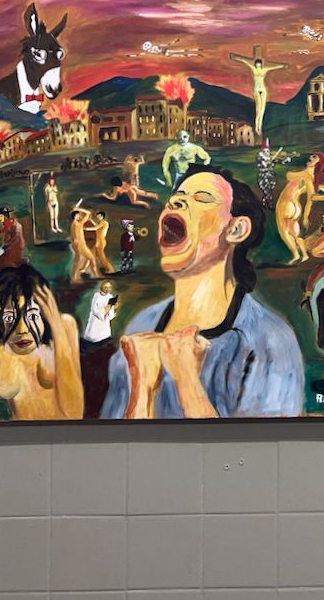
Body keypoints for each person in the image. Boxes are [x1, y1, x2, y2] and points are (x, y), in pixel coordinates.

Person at [101, 166, 304, 419]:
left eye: (202, 198)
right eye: (177, 197)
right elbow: (120, 440)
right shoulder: (141, 327)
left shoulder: (270, 339)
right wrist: (142, 390)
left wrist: (187, 379)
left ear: (236, 229)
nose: (175, 202)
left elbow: (258, 444)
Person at [0, 264, 83, 421]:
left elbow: (75, 413)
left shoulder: (65, 326)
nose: (22, 330)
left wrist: (56, 327)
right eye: (9, 318)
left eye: (32, 316)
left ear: (45, 312)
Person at [275, 153, 324, 265]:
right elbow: (310, 199)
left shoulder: (306, 175)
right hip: (295, 207)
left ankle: (296, 255)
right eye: (311, 156)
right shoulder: (311, 178)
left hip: (286, 204)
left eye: (314, 157)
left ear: (318, 164)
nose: (310, 158)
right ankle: (303, 255)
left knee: (284, 232)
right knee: (295, 234)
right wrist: (305, 216)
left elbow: (288, 175)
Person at [228, 46, 289, 138]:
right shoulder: (253, 69)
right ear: (255, 65)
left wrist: (283, 66)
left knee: (262, 109)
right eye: (257, 65)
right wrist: (236, 58)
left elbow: (274, 67)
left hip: (263, 89)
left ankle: (260, 127)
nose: (258, 66)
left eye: (259, 65)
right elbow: (244, 61)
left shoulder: (264, 70)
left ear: (261, 64)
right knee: (258, 109)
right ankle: (257, 128)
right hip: (256, 89)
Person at [80, 279, 120, 418]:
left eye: (110, 287)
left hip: (105, 333)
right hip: (93, 333)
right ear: (102, 287)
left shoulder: (110, 297)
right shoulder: (96, 297)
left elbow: (109, 317)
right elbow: (98, 313)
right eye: (106, 287)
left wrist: (114, 308)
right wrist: (108, 307)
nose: (108, 289)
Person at [69, 202, 101, 282]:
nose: (79, 216)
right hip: (80, 245)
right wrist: (77, 209)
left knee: (78, 260)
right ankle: (96, 275)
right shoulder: (78, 224)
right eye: (78, 215)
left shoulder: (74, 224)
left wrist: (76, 209)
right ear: (75, 216)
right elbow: (88, 213)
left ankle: (74, 278)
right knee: (91, 259)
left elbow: (73, 236)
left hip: (78, 244)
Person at [89, 210, 116, 275]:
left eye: (99, 216)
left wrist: (86, 229)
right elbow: (96, 226)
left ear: (102, 216)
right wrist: (91, 220)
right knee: (96, 256)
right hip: (98, 241)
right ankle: (103, 269)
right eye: (97, 216)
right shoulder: (100, 223)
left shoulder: (104, 222)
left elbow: (95, 228)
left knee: (101, 257)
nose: (97, 217)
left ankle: (111, 269)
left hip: (101, 241)